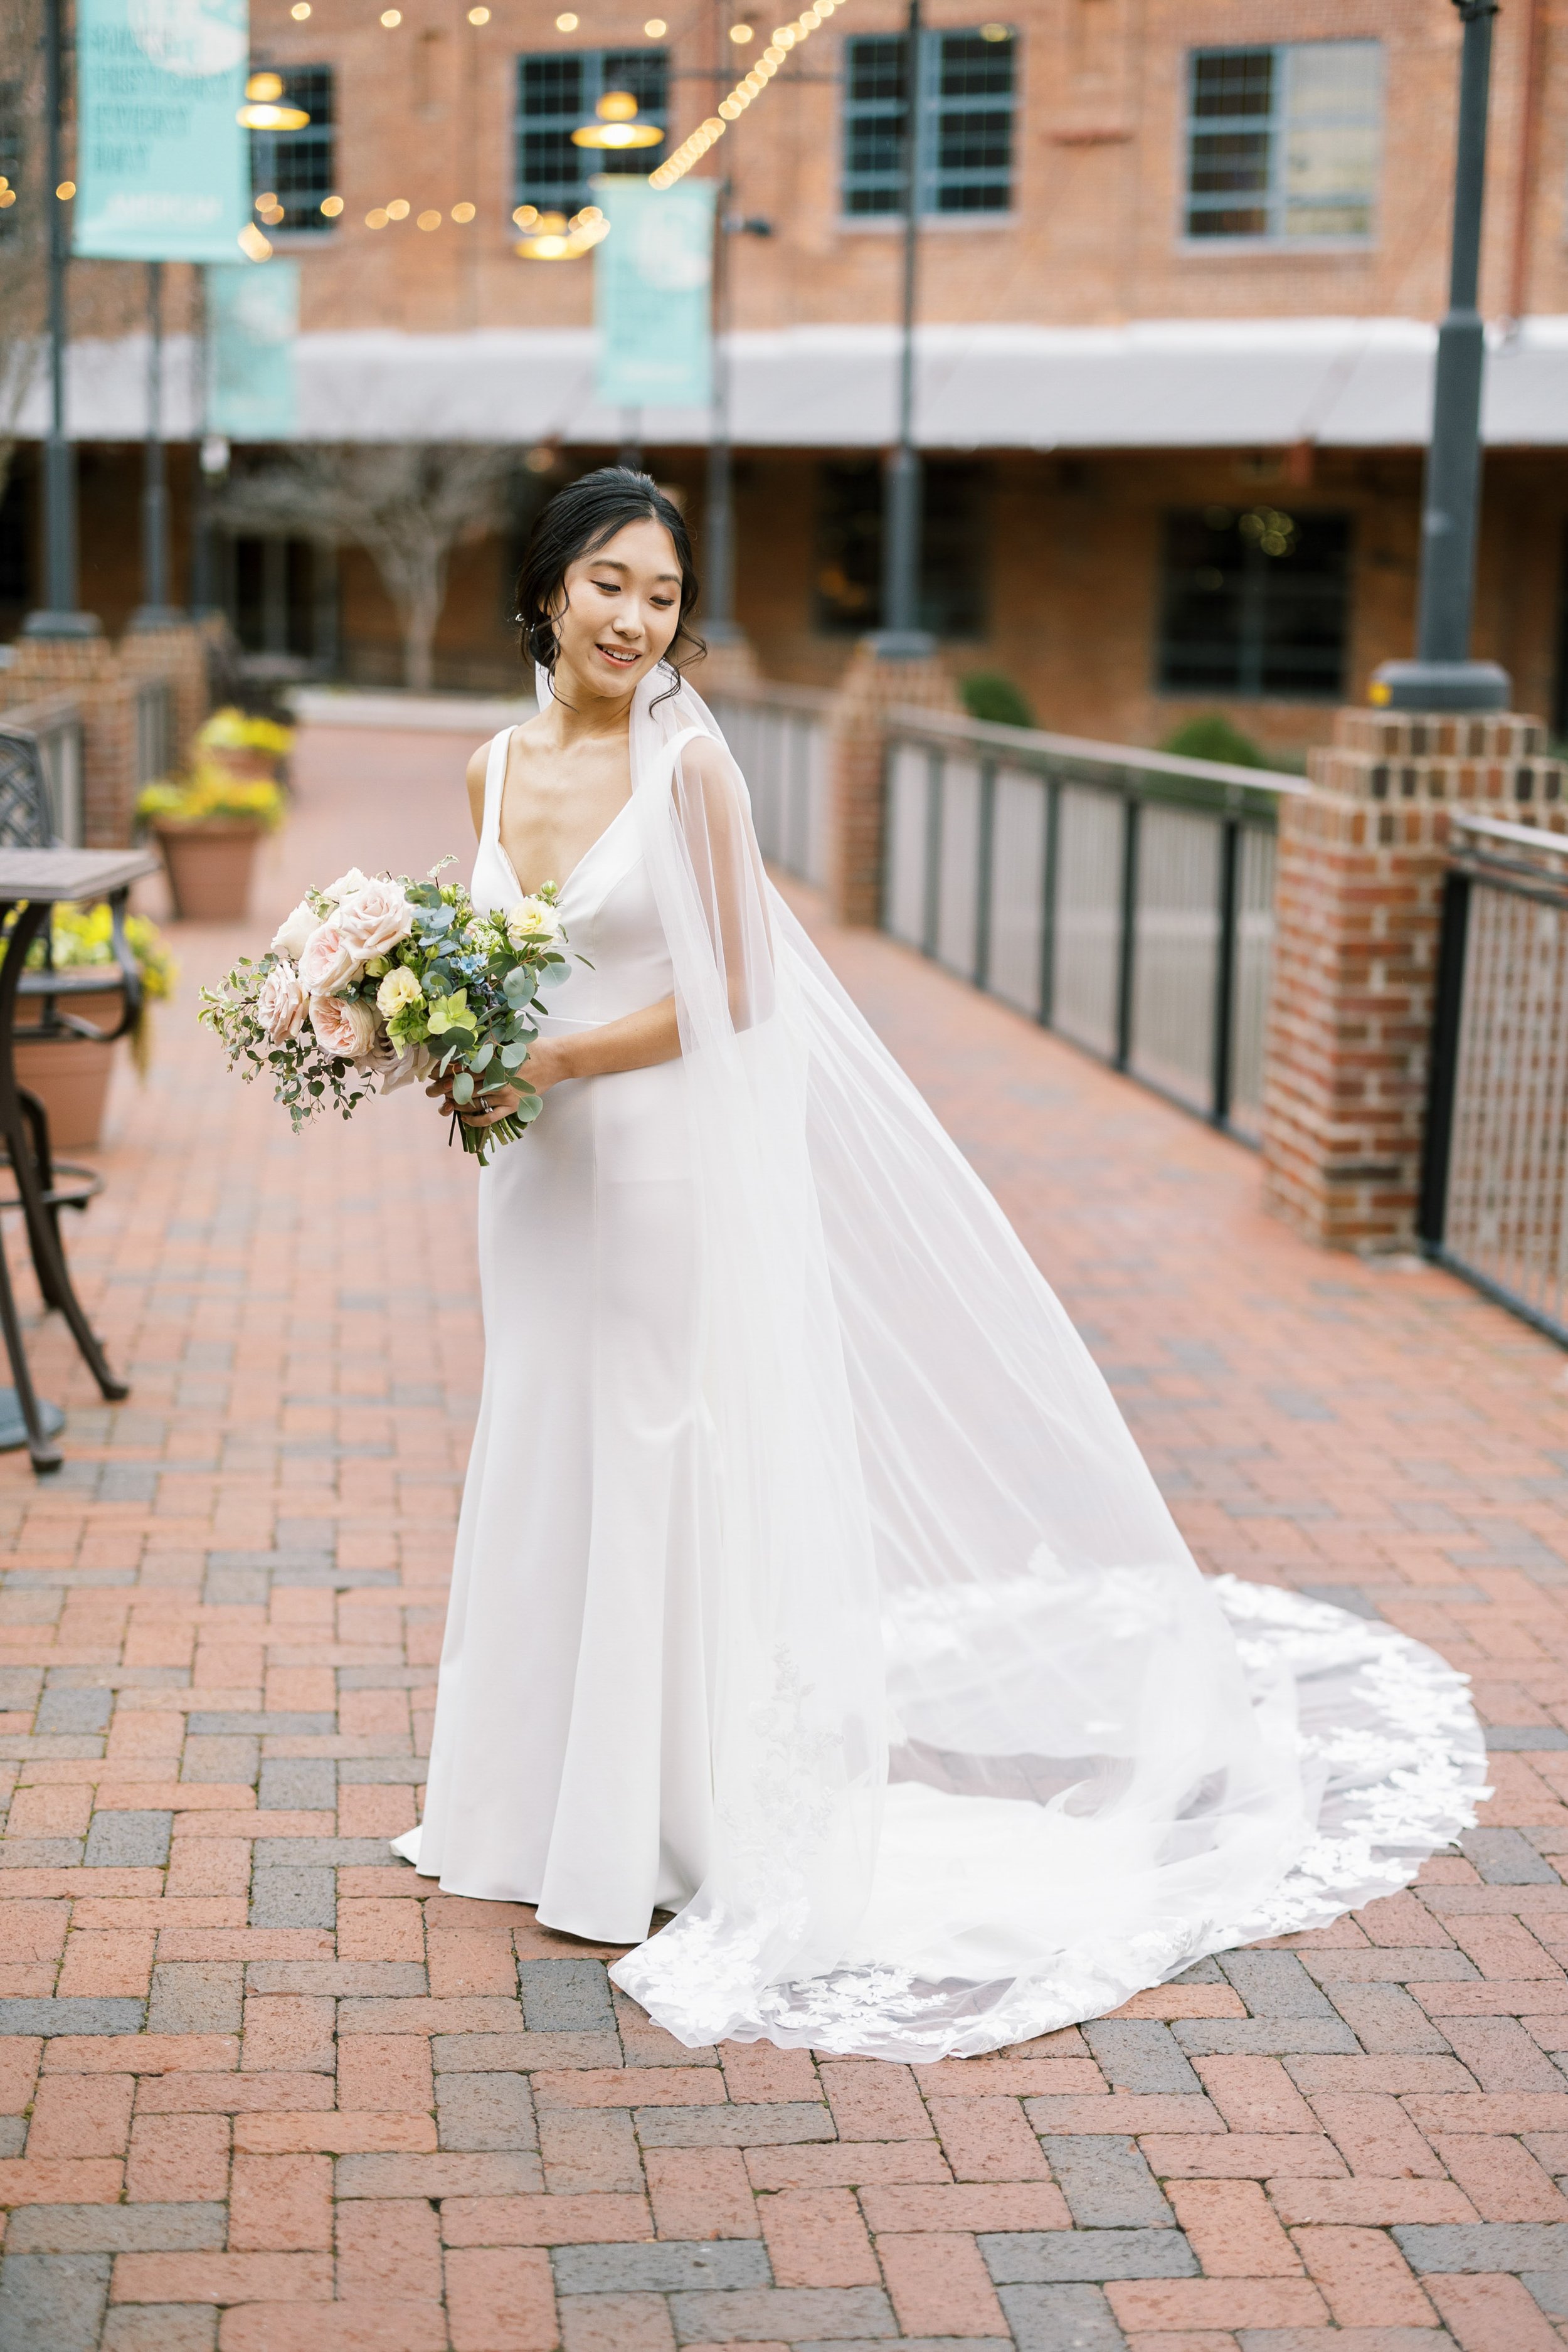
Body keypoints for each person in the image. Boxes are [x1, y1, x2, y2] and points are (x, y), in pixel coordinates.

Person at [392, 467, 1486, 2063]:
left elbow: (740, 995)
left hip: (655, 1170)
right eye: (610, 584)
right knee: (540, 1450)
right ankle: (514, 1803)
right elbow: (488, 954)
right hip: (534, 1185)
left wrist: (550, 1066)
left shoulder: (685, 767)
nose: (636, 619)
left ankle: (644, 1831)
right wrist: (428, 1025)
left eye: (664, 595)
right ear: (549, 587)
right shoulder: (486, 770)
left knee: (645, 1460)